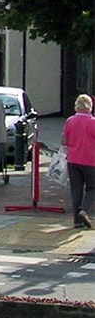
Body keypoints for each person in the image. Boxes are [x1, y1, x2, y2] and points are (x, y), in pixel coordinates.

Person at [61, 94, 95, 229]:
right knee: (92, 188)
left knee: (76, 189)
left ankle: (77, 221)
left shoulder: (70, 121)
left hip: (73, 159)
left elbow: (64, 141)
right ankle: (84, 210)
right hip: (90, 160)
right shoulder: (93, 123)